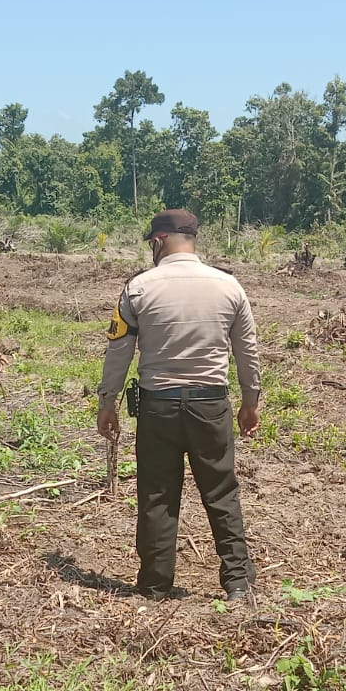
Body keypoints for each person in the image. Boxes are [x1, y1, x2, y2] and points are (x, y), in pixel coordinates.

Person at [97, 209, 261, 602]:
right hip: (211, 406)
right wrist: (250, 401)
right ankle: (238, 581)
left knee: (157, 494)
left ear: (159, 241)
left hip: (159, 408)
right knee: (221, 492)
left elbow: (119, 352)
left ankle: (155, 584)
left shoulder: (139, 288)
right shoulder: (229, 287)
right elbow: (247, 351)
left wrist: (108, 402)